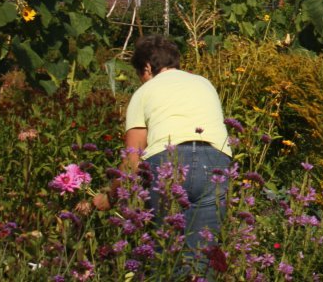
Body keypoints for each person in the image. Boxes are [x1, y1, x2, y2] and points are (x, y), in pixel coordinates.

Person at [91, 35, 232, 254]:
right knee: (202, 255)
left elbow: (132, 162)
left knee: (167, 252)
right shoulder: (205, 83)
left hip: (169, 161)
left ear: (147, 68)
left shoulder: (144, 92)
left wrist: (110, 197)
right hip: (216, 162)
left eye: (139, 74)